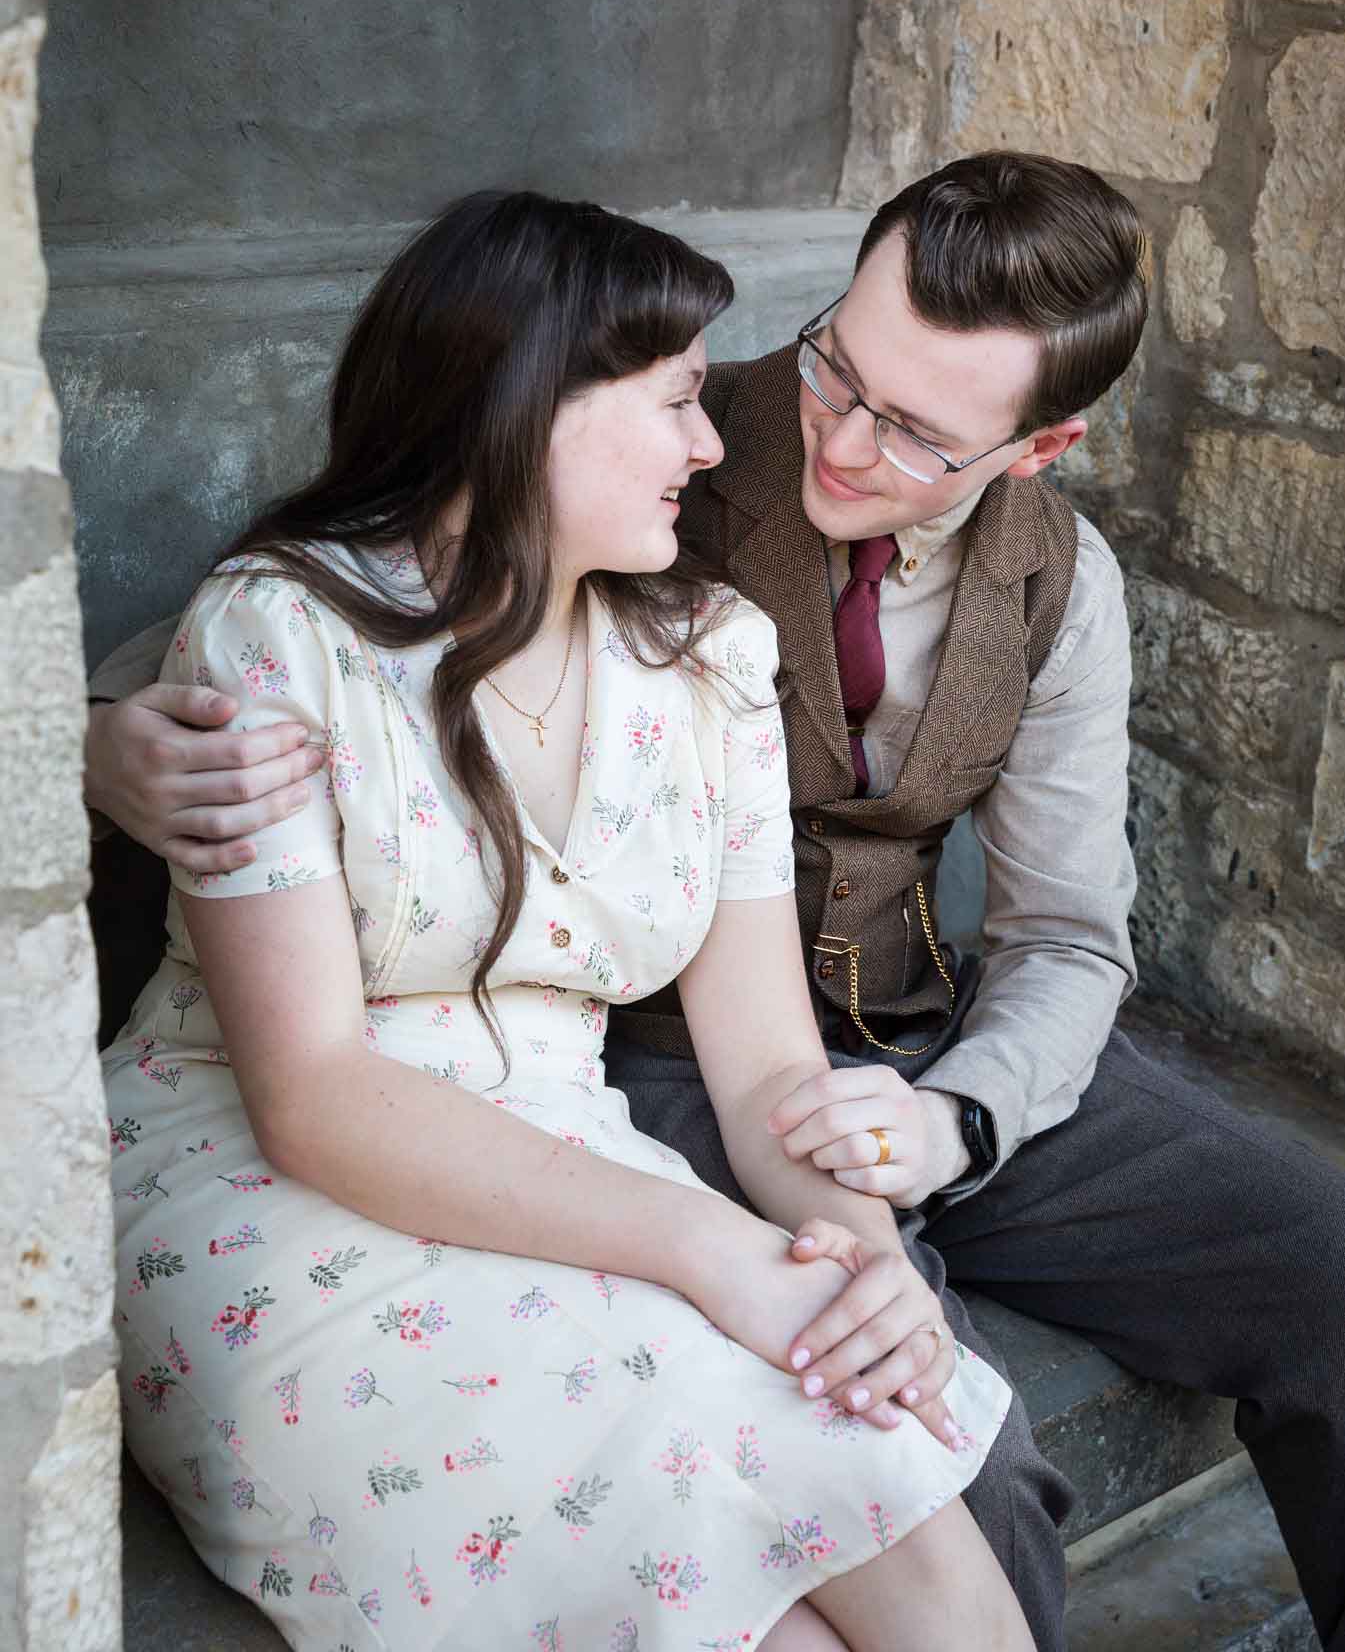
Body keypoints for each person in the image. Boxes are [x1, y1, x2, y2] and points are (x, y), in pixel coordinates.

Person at [88, 154, 1345, 1652]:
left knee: (1315, 1270)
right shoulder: (651, 450)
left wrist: (955, 1126)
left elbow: (1066, 937)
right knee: (948, 1451)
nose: (841, 435)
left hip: (906, 1043)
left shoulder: (1032, 593)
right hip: (653, 1058)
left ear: (1038, 447)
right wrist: (92, 742)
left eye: (915, 431)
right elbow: (299, 631)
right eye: (838, 368)